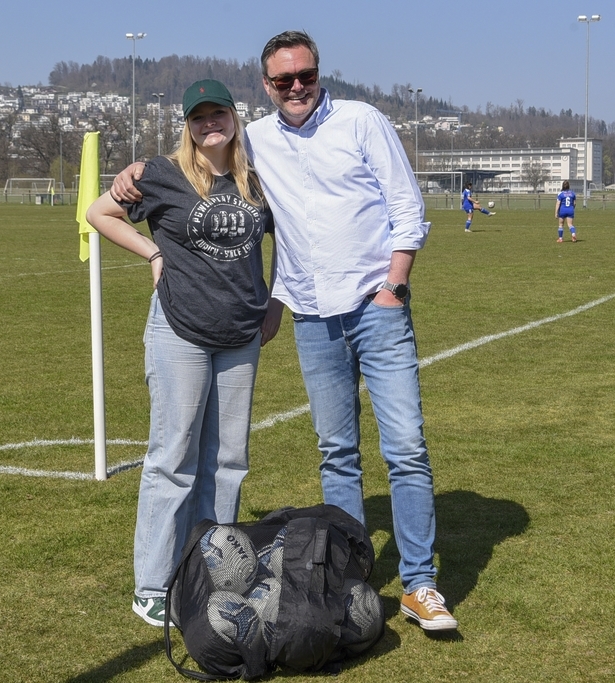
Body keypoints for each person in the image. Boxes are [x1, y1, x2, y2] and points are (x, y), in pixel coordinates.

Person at [112, 31, 458, 632]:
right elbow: (195, 189)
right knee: (337, 454)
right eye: (282, 80)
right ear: (265, 86)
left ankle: (421, 583)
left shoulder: (360, 120)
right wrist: (136, 183)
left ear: (319, 73)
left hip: (377, 307)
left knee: (405, 448)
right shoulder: (258, 141)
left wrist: (394, 284)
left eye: (305, 75)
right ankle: (348, 578)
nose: (296, 86)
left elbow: (407, 206)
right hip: (312, 318)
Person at [88, 79, 277, 627]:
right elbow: (100, 214)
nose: (209, 124)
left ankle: (213, 571)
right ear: (188, 125)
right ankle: (151, 584)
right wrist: (150, 251)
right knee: (173, 459)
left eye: (218, 113)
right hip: (180, 329)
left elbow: (283, 240)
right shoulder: (160, 174)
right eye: (199, 117)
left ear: (234, 119)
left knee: (228, 461)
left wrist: (274, 302)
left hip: (242, 333)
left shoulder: (256, 179)